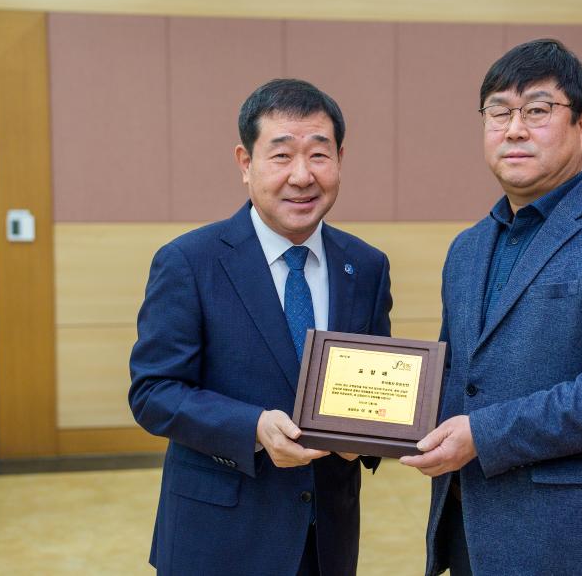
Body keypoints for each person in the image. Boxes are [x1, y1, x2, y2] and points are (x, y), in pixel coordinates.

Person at [399, 38, 582, 575]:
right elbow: (458, 375)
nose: (514, 129)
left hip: (569, 543)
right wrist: (367, 425)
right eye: (498, 112)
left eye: (537, 110)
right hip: (468, 534)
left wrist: (483, 435)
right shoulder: (467, 248)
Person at [129, 78, 392, 576]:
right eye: (281, 156)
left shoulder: (366, 266)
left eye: (319, 155)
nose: (302, 176)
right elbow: (153, 392)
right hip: (219, 539)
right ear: (245, 163)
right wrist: (252, 427)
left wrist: (369, 435)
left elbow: (373, 385)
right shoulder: (189, 261)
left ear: (340, 160)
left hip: (326, 541)